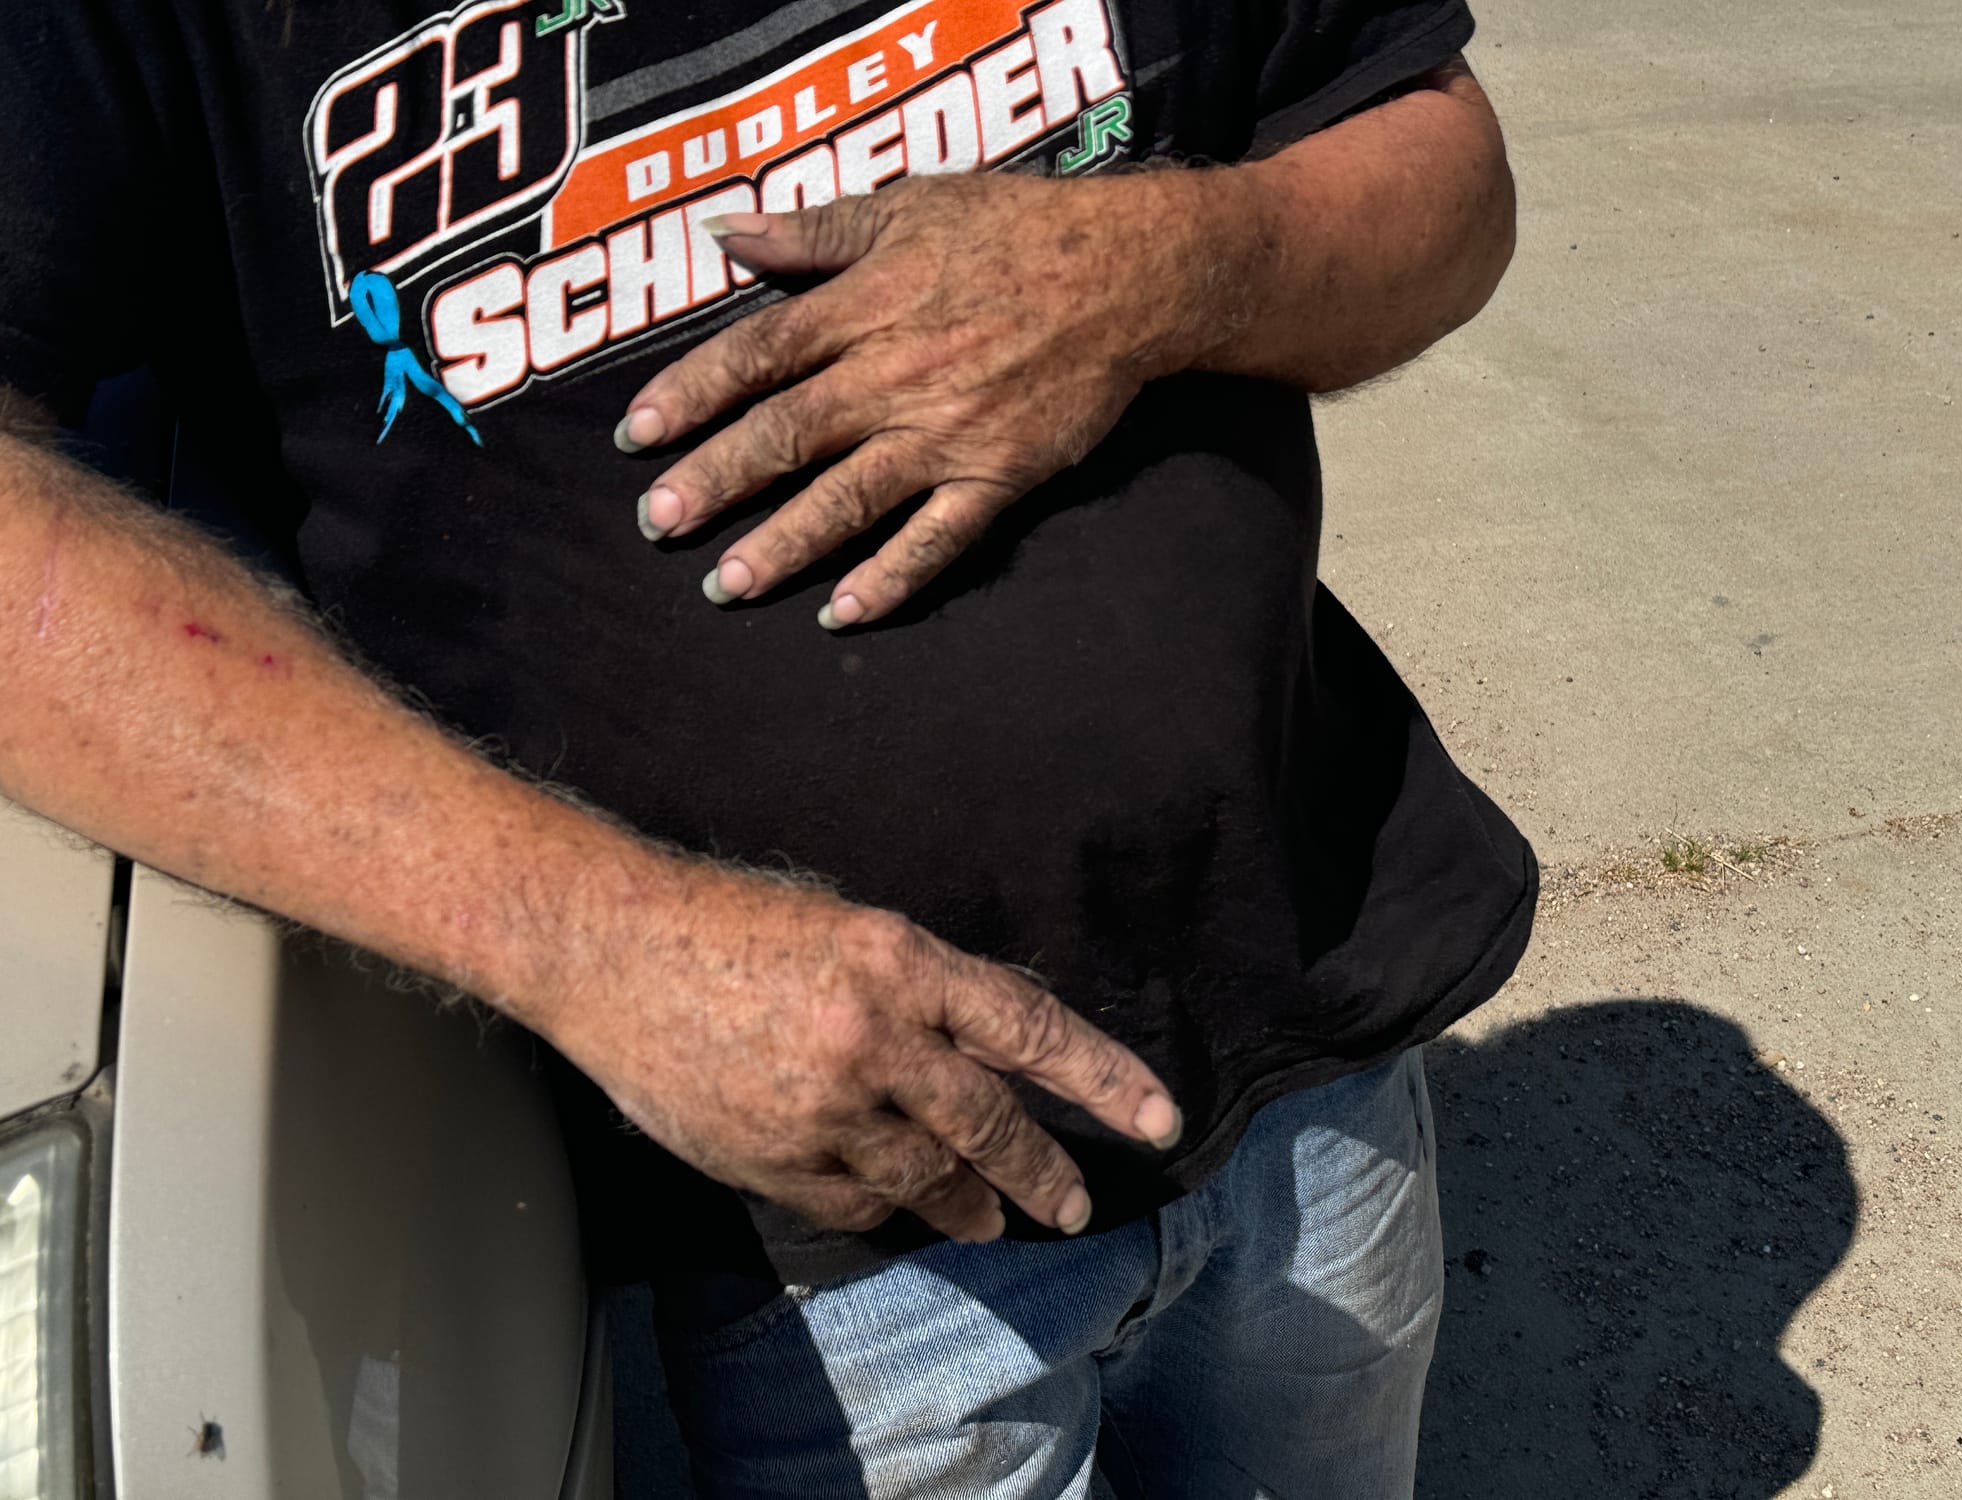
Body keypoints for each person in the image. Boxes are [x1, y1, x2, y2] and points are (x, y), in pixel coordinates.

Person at [0, 0, 1532, 1493]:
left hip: (1313, 1022)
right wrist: (600, 944)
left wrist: (1164, 265)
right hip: (823, 1227)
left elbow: (1441, 171)